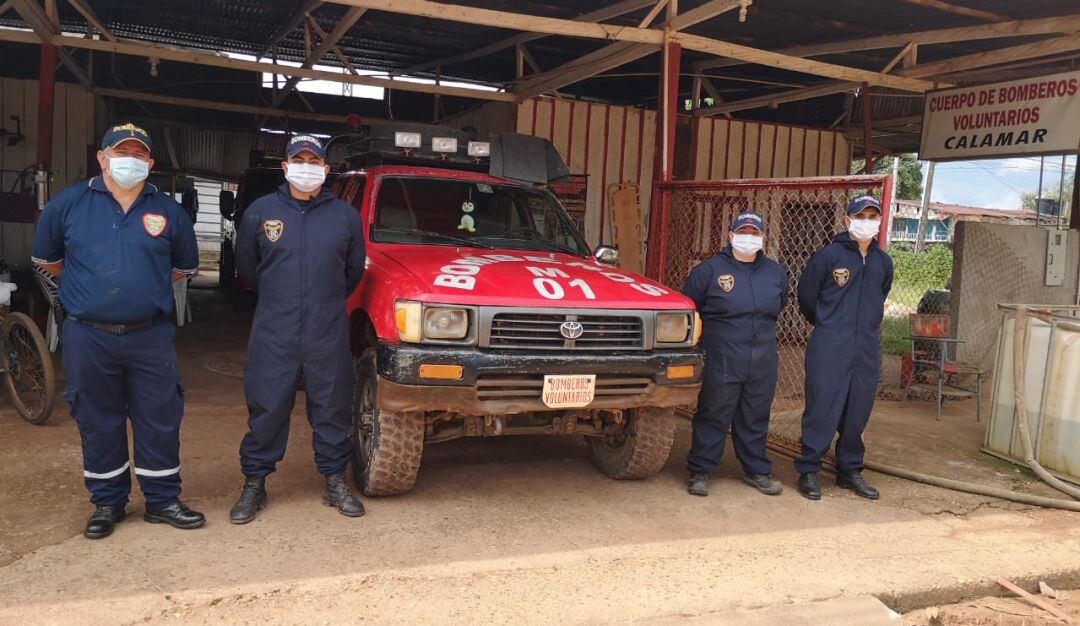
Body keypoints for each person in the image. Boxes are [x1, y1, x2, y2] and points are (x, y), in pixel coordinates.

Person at [31, 123, 203, 539]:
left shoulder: (168, 211)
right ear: (102, 158)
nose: (130, 159)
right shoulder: (68, 204)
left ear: (150, 163)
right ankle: (108, 502)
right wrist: (90, 293)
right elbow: (46, 261)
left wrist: (139, 289)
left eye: (138, 154)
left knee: (159, 417)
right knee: (97, 417)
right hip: (89, 335)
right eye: (120, 151)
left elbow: (182, 269)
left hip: (150, 334)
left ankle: (162, 501)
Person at [230, 134, 366, 523]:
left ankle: (334, 480)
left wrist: (322, 300)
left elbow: (352, 272)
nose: (306, 167)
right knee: (268, 405)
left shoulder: (344, 217)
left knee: (332, 406)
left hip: (327, 326)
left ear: (325, 169)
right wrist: (282, 299)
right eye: (298, 160)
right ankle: (254, 482)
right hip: (275, 326)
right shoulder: (261, 212)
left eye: (314, 161)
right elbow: (248, 269)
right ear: (286, 167)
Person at [683, 212, 789, 497]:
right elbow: (691, 309)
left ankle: (756, 470)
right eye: (743, 231)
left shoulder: (775, 273)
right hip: (722, 354)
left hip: (763, 357)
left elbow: (780, 304)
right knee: (714, 412)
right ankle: (701, 470)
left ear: (763, 238)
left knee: (755, 414)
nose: (749, 237)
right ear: (730, 236)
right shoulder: (708, 271)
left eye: (755, 233)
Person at [794, 196, 893, 501]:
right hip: (830, 344)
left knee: (857, 411)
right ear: (848, 219)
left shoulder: (882, 262)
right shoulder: (828, 257)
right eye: (860, 215)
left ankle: (849, 471)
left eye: (872, 215)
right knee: (822, 407)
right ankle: (809, 470)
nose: (867, 220)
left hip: (866, 345)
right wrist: (829, 324)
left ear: (879, 221)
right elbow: (807, 298)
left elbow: (882, 293)